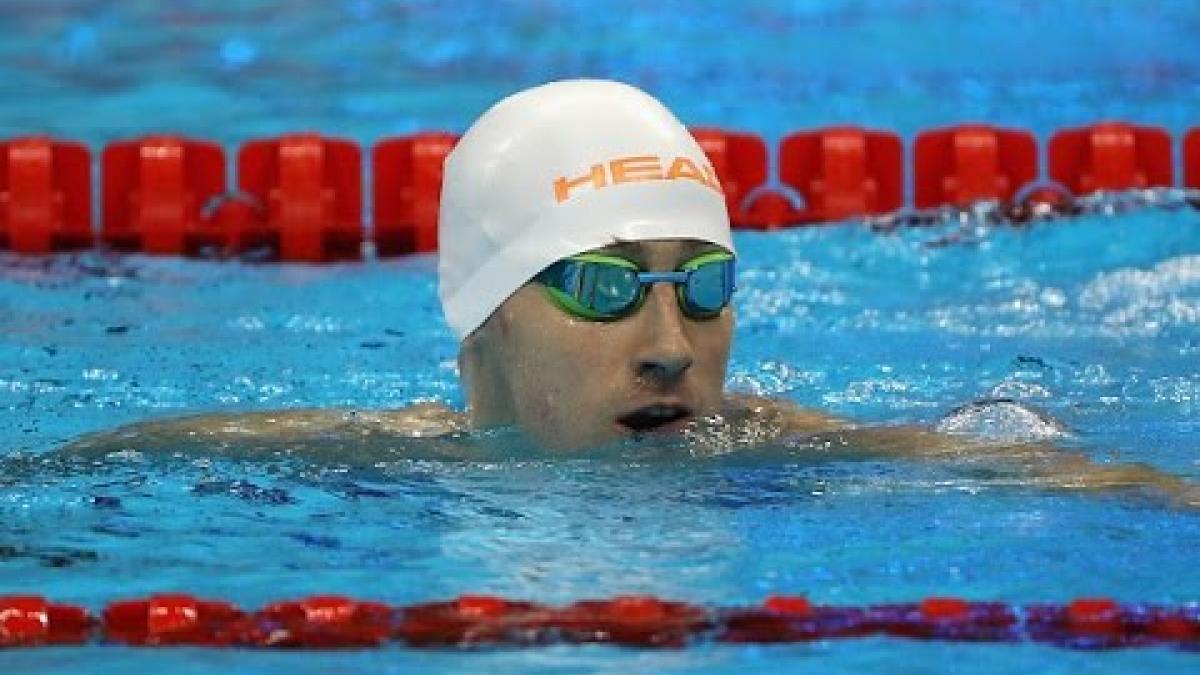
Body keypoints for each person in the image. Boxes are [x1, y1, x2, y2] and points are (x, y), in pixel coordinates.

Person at [62, 80, 1198, 506]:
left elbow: (1070, 479)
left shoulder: (783, 451)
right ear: (487, 318)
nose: (671, 346)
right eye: (605, 289)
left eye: (703, 288)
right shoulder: (348, 461)